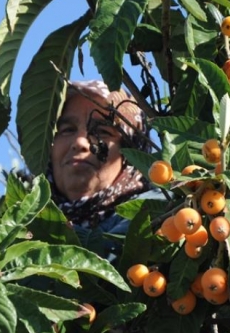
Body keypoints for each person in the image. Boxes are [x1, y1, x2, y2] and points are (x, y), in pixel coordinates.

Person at [47, 80, 152, 234]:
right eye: (67, 129)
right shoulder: (22, 230)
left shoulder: (161, 221)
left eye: (102, 131)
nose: (80, 142)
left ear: (133, 153)